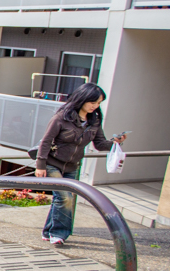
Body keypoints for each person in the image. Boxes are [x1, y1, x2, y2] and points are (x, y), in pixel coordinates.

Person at [35, 83, 125, 247]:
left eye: (98, 103)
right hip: (52, 163)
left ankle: (48, 231)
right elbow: (46, 141)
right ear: (83, 99)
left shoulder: (94, 120)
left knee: (63, 199)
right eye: (93, 102)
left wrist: (115, 143)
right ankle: (58, 234)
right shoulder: (62, 117)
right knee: (64, 199)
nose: (95, 106)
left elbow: (99, 144)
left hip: (73, 166)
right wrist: (40, 165)